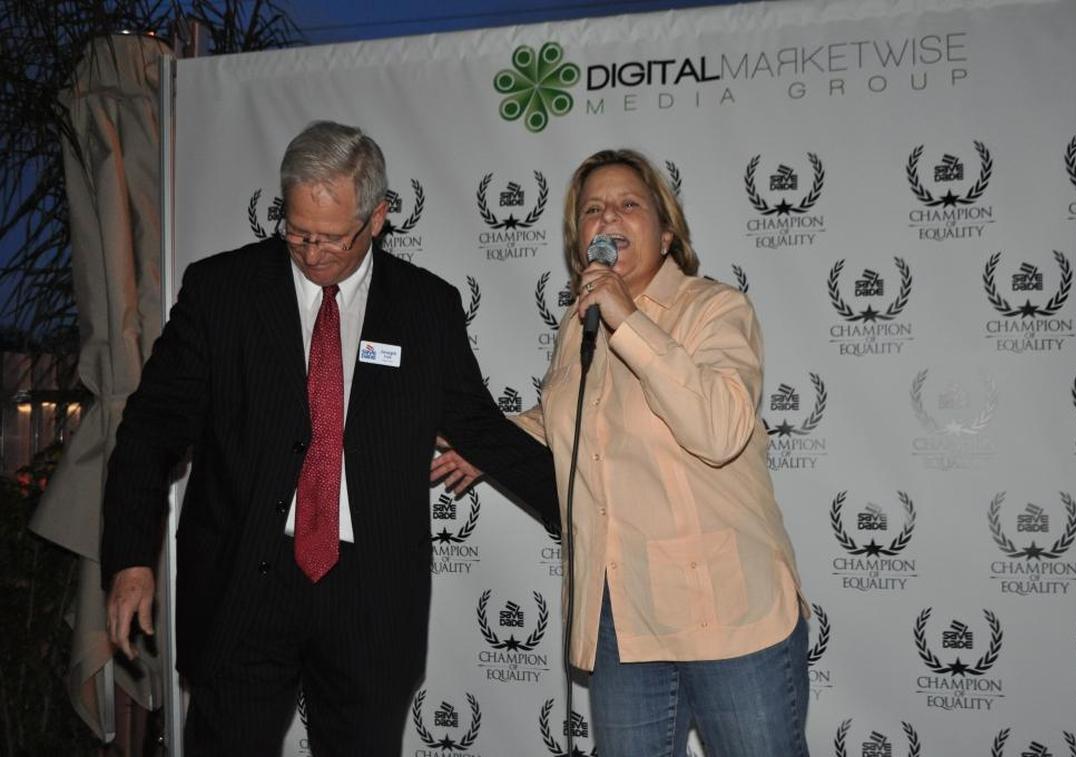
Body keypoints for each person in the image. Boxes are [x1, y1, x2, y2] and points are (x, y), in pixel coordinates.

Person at [101, 120, 559, 756]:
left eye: (333, 239)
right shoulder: (221, 292)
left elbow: (480, 427)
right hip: (243, 586)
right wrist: (129, 558)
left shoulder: (426, 307)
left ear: (378, 218)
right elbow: (150, 429)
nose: (312, 253)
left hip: (368, 598)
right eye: (297, 232)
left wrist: (583, 512)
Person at [432, 149, 810, 756]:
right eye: (592, 210)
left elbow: (718, 429)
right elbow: (569, 423)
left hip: (728, 613)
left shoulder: (715, 309)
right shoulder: (577, 325)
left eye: (628, 204)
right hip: (620, 615)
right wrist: (490, 446)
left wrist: (626, 317)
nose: (607, 217)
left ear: (666, 234)